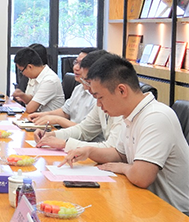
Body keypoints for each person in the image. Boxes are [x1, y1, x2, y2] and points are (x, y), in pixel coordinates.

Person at [60, 54, 189, 213]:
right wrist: (89, 151)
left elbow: (141, 177)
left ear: (122, 90)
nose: (99, 105)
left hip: (174, 212)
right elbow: (119, 154)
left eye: (100, 97)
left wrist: (122, 167)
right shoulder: (130, 115)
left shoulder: (156, 117)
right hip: (145, 204)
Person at [33, 50, 124, 151]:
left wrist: (65, 143)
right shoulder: (96, 97)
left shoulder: (121, 107)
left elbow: (112, 149)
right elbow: (83, 130)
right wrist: (52, 135)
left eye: (88, 82)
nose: (89, 88)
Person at [28, 48, 98, 128]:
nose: (76, 68)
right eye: (76, 62)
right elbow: (65, 112)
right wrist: (42, 115)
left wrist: (56, 120)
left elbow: (86, 130)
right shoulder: (78, 88)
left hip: (78, 135)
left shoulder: (97, 97)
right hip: (69, 133)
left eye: (82, 64)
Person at [12, 47, 64, 113]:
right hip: (39, 116)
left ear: (30, 67)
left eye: (21, 71)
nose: (23, 74)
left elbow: (30, 109)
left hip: (49, 119)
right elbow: (32, 99)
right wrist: (22, 95)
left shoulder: (49, 80)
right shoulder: (38, 76)